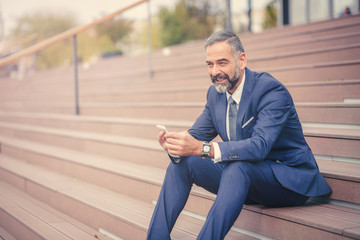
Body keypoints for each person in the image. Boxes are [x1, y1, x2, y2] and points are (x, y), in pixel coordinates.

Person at [147, 30, 332, 239]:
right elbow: (195, 138)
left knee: (237, 167)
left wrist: (202, 148)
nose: (215, 71)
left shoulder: (270, 91)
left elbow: (259, 146)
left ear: (241, 60)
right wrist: (176, 145)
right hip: (244, 180)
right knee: (183, 162)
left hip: (287, 181)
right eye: (209, 64)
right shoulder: (216, 94)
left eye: (222, 63)